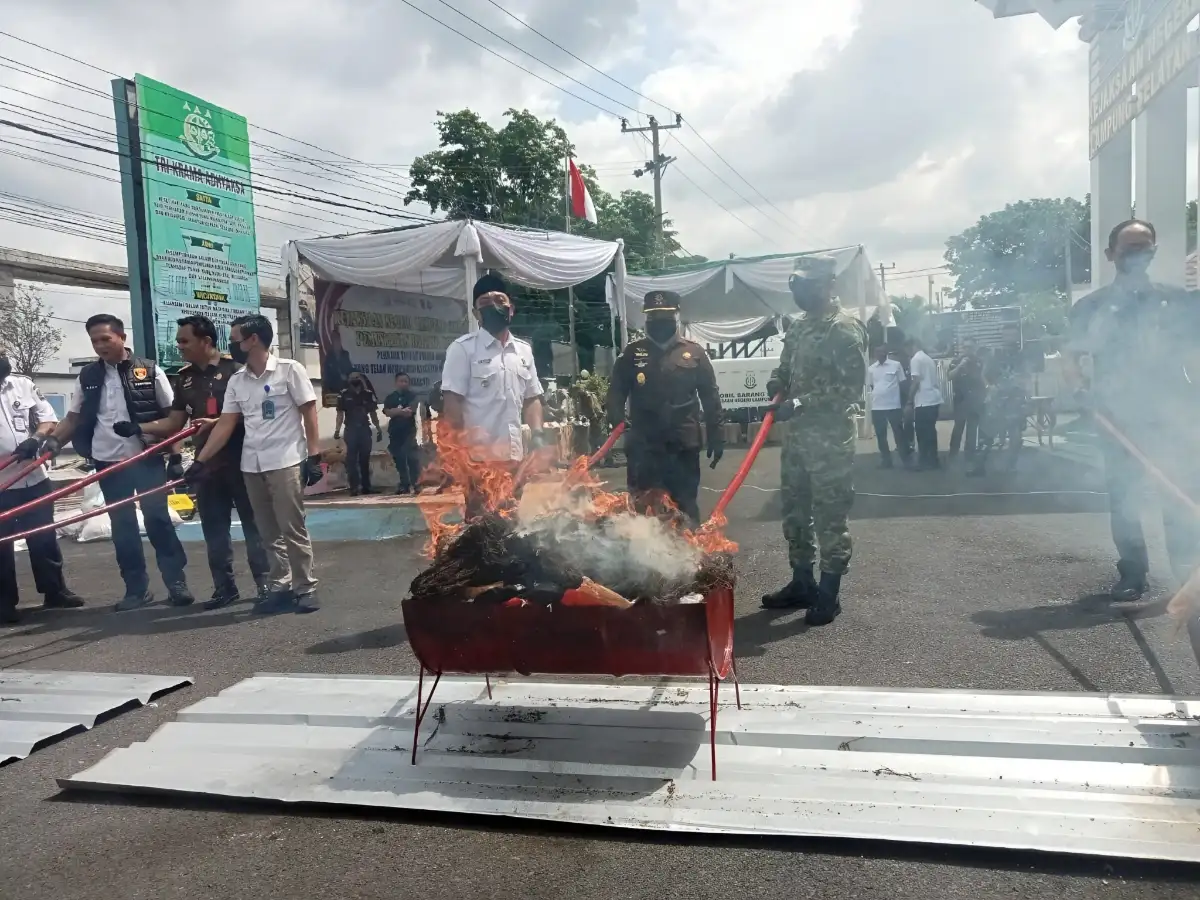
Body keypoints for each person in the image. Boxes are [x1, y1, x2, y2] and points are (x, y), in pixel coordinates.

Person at [1067, 218, 1200, 601]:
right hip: (1118, 417)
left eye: (1146, 248)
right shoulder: (1091, 307)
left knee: (1175, 494)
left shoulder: (1177, 300)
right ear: (1111, 255)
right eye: (1129, 249)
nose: (1138, 256)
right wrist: (1080, 390)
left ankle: (1185, 572)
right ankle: (1132, 573)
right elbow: (1072, 356)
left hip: (1171, 416)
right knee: (1125, 498)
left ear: (1154, 251)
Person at [42, 314, 192, 612]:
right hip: (107, 461)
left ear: (122, 338)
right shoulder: (88, 377)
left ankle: (177, 583)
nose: (100, 346)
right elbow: (73, 418)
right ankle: (136, 590)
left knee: (158, 522)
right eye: (94, 341)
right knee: (122, 527)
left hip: (145, 458)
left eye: (105, 339)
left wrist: (175, 455)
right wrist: (54, 441)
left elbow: (173, 416)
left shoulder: (149, 370)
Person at [121, 315, 271, 609]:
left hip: (243, 463)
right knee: (214, 530)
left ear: (206, 341)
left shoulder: (236, 372)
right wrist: (140, 428)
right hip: (207, 466)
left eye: (184, 341)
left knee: (255, 527)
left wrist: (215, 423)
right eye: (178, 341)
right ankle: (224, 588)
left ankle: (265, 583)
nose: (179, 346)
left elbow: (250, 415)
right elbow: (175, 422)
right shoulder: (184, 378)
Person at [187, 314, 324, 614]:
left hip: (285, 460)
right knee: (266, 531)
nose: (231, 344)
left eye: (236, 338)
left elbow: (309, 413)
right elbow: (225, 424)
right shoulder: (238, 380)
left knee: (292, 528)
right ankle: (281, 585)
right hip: (251, 464)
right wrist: (201, 461)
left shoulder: (290, 370)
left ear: (253, 340)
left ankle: (306, 587)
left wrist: (314, 456)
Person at [761, 256, 867, 625]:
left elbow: (851, 389)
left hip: (830, 442)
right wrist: (777, 382)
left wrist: (802, 402)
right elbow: (785, 365)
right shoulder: (800, 327)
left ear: (828, 285)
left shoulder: (845, 329)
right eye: (797, 286)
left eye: (808, 286)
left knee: (828, 517)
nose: (801, 293)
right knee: (795, 514)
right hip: (798, 441)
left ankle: (829, 593)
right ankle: (802, 582)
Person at [606, 290, 723, 526]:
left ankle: (691, 557)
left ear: (676, 316)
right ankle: (646, 560)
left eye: (664, 315)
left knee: (685, 505)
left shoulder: (695, 353)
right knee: (644, 507)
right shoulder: (632, 353)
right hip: (644, 448)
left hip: (682, 446)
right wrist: (618, 421)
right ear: (646, 319)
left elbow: (710, 396)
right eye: (653, 315)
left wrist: (716, 434)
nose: (658, 320)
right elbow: (616, 392)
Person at [440, 273, 548, 512]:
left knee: (514, 527)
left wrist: (538, 434)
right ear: (476, 314)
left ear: (511, 309)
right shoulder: (462, 350)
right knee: (482, 532)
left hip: (515, 459)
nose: (493, 308)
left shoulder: (524, 351)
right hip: (479, 463)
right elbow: (452, 405)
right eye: (485, 304)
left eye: (499, 301)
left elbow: (532, 398)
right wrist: (460, 457)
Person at [0, 353, 85, 624]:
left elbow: (48, 419)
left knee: (44, 537)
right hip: (2, 483)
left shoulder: (22, 385)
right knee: (2, 546)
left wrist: (35, 439)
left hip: (33, 477)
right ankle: (4, 603)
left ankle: (54, 591)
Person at [968, 350, 1026, 477]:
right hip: (997, 401)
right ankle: (979, 466)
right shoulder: (995, 357)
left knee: (1015, 436)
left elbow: (1025, 378)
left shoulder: (1021, 357)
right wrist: (990, 388)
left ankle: (1011, 466)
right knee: (987, 435)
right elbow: (983, 375)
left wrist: (1023, 393)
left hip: (1014, 402)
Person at [333, 372, 383, 496]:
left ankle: (366, 487)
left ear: (362, 379)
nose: (355, 379)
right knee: (351, 460)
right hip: (351, 430)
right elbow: (340, 414)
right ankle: (354, 488)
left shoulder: (368, 394)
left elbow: (373, 413)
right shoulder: (344, 394)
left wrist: (378, 428)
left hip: (364, 430)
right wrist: (337, 430)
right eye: (352, 377)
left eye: (357, 377)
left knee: (364, 460)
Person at [867, 343, 908, 469]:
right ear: (874, 354)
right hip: (877, 406)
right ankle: (886, 460)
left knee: (899, 433)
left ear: (886, 352)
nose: (880, 354)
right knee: (881, 434)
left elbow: (903, 384)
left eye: (882, 351)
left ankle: (906, 459)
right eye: (877, 352)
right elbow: (872, 386)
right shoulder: (871, 369)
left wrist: (905, 403)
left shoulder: (896, 365)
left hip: (893, 405)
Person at [905, 337, 943, 470]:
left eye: (908, 348)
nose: (907, 352)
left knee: (921, 432)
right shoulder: (927, 358)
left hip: (924, 400)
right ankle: (933, 459)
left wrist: (909, 400)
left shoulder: (916, 359)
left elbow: (915, 381)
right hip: (933, 398)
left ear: (913, 346)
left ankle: (923, 460)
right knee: (930, 431)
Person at [383, 371, 421, 494]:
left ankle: (416, 484)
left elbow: (410, 411)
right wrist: (400, 411)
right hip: (395, 432)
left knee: (412, 459)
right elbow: (387, 412)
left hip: (409, 432)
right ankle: (404, 485)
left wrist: (396, 411)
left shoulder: (413, 396)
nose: (403, 383)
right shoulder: (390, 397)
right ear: (396, 382)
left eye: (406, 381)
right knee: (399, 459)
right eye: (401, 381)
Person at [947, 340, 985, 463]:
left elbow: (982, 379)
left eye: (970, 347)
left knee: (972, 429)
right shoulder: (956, 361)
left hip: (974, 400)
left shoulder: (979, 361)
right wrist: (960, 366)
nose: (967, 350)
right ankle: (953, 454)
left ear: (974, 348)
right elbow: (949, 376)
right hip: (960, 400)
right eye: (965, 347)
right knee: (958, 427)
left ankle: (970, 455)